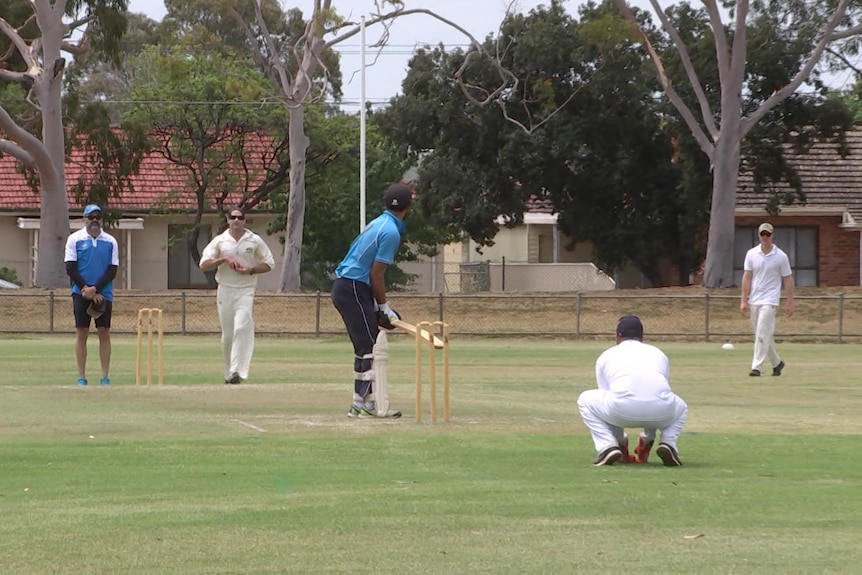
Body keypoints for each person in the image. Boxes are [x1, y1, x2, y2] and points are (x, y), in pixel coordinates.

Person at [331, 183, 414, 418]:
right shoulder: (391, 232)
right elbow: (376, 273)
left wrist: (377, 306)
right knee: (369, 346)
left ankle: (360, 403)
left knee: (365, 346)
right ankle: (365, 405)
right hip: (353, 287)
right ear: (408, 206)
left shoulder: (379, 223)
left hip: (347, 286)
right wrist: (384, 307)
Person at [577, 315, 688, 467]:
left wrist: (620, 444)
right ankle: (668, 444)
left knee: (585, 400)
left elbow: (609, 396)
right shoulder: (658, 353)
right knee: (680, 406)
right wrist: (647, 440)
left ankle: (607, 447)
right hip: (661, 411)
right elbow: (656, 393)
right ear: (642, 336)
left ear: (617, 336)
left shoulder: (606, 355)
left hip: (620, 411)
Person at [199, 207, 275, 384]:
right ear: (228, 220)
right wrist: (224, 259)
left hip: (246, 289)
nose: (236, 220)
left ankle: (237, 371)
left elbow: (269, 263)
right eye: (233, 217)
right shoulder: (220, 241)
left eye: (240, 217)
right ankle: (228, 372)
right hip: (225, 289)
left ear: (244, 220)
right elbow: (204, 264)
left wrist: (250, 270)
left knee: (241, 327)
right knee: (228, 334)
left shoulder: (254, 240)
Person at [64, 204, 119, 386]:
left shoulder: (110, 241)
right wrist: (85, 289)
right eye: (91, 217)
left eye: (98, 217)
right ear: (84, 218)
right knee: (82, 332)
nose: (94, 220)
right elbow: (70, 268)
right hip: (80, 292)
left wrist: (95, 289)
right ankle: (82, 376)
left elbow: (112, 270)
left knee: (104, 332)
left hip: (103, 291)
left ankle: (105, 376)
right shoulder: (75, 239)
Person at [740, 222, 795, 377]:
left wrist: (790, 301)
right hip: (755, 299)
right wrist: (744, 299)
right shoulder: (751, 254)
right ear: (759, 235)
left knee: (762, 333)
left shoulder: (780, 256)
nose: (765, 237)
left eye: (768, 234)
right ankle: (777, 363)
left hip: (770, 300)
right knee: (762, 333)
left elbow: (788, 279)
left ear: (772, 235)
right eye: (762, 234)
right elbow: (747, 277)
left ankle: (756, 366)